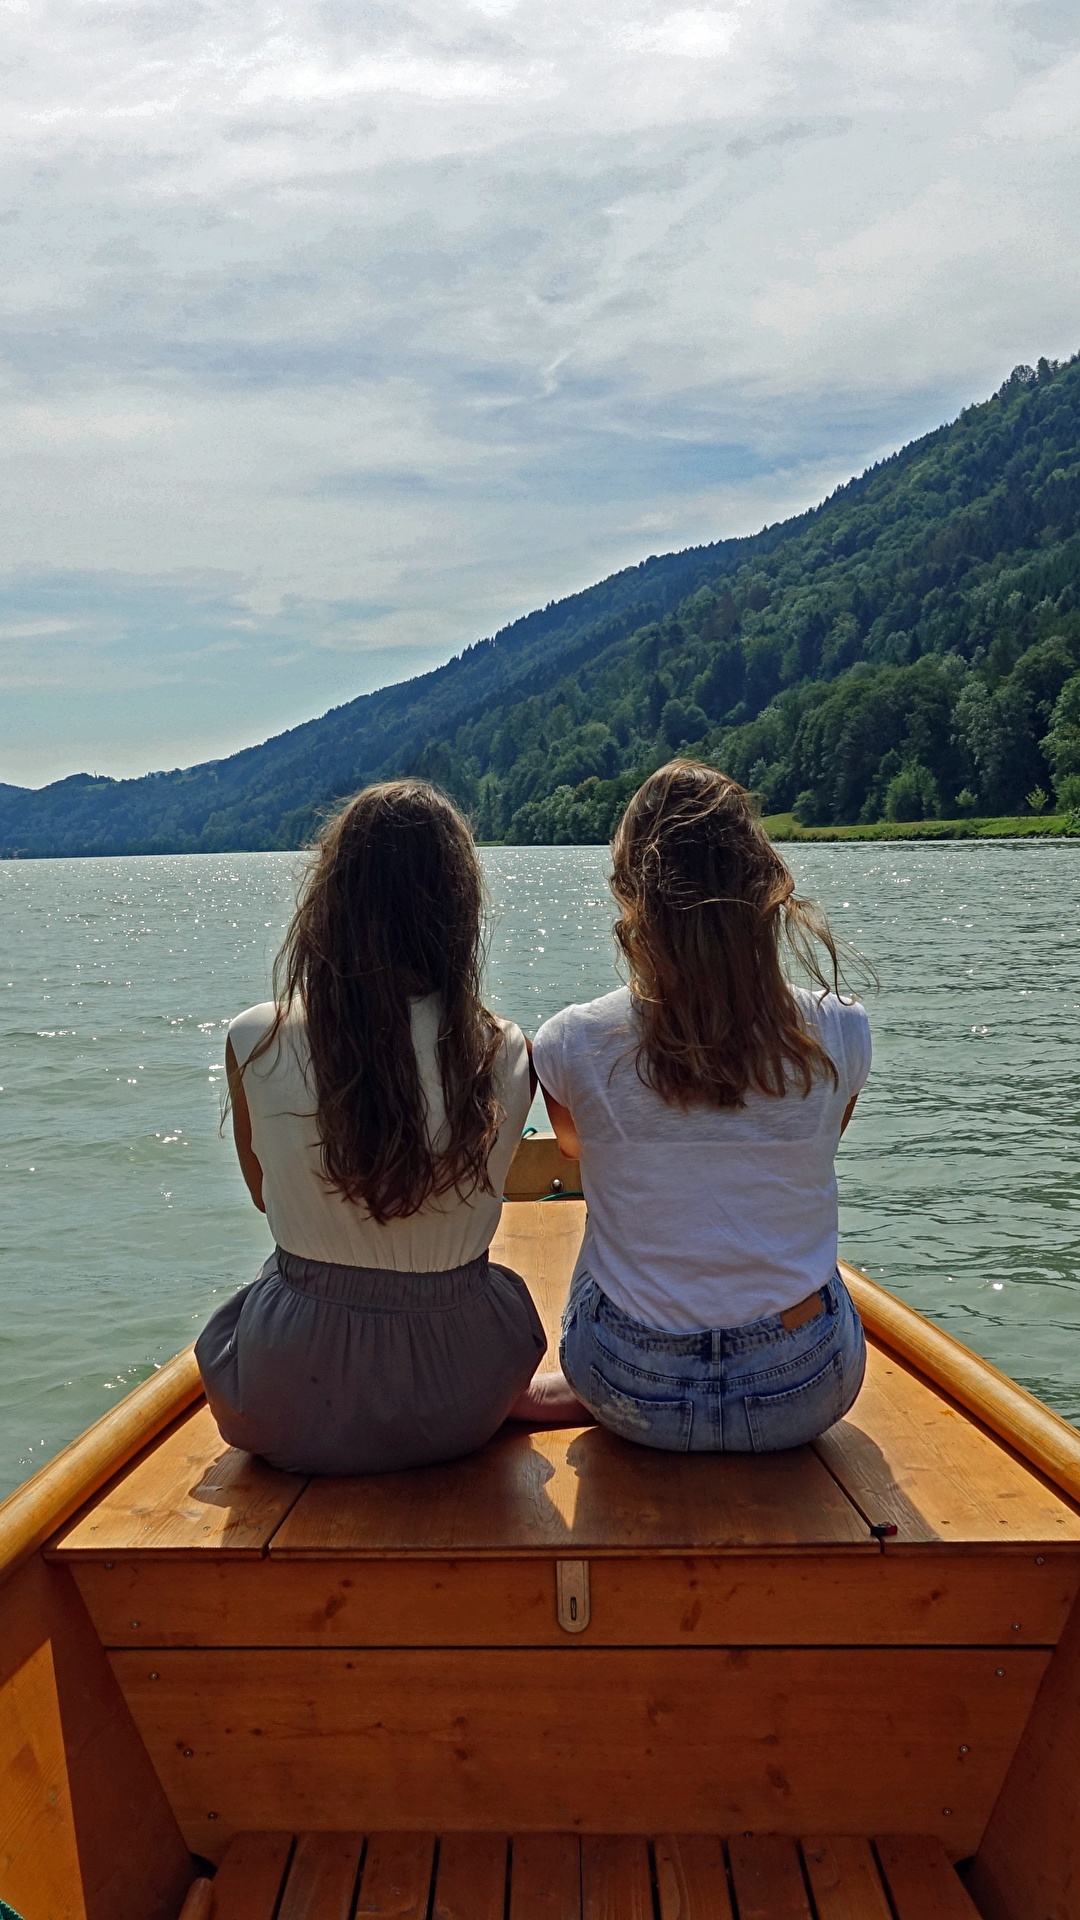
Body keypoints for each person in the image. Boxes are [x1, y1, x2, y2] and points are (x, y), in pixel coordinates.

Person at [196, 780, 546, 1474]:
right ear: (460, 908)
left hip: (290, 1399)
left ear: (330, 901)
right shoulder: (505, 1050)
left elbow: (269, 1197)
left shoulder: (254, 1040)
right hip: (462, 1400)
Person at [529, 760, 869, 1453]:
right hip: (802, 1389)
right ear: (763, 887)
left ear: (630, 895)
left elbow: (570, 1148)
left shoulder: (571, 1040)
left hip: (629, 1384)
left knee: (604, 1225)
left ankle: (613, 1364)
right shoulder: (840, 1031)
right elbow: (823, 1138)